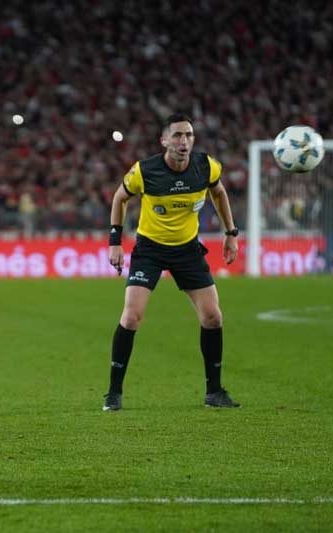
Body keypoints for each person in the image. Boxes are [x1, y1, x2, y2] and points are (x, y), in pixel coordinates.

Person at [103, 113, 241, 411]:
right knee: (131, 317)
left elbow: (219, 192)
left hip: (187, 250)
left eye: (189, 135)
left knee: (213, 317)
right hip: (150, 250)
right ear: (164, 140)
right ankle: (113, 393)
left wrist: (231, 233)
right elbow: (119, 198)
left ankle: (214, 393)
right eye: (177, 135)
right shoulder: (145, 171)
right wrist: (115, 242)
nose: (184, 141)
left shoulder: (206, 166)